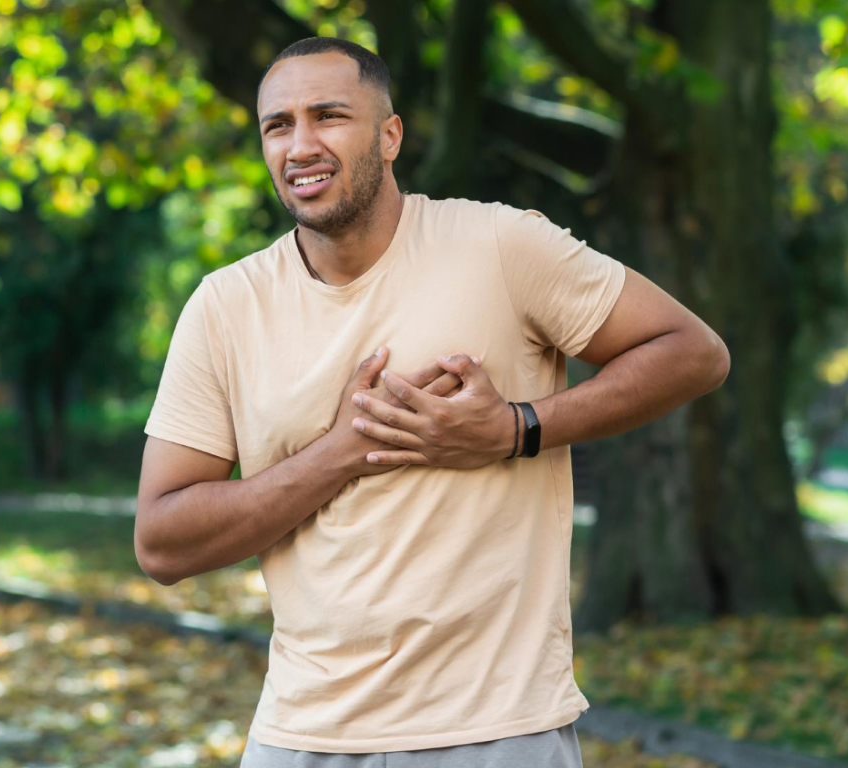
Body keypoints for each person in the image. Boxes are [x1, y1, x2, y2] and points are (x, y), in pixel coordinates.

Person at [135, 37, 730, 767]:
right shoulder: (225, 307)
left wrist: (516, 429)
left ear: (390, 136)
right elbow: (161, 542)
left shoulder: (500, 245)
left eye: (329, 116)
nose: (301, 144)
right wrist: (339, 454)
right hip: (302, 736)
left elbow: (693, 353)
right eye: (278, 125)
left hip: (497, 730)